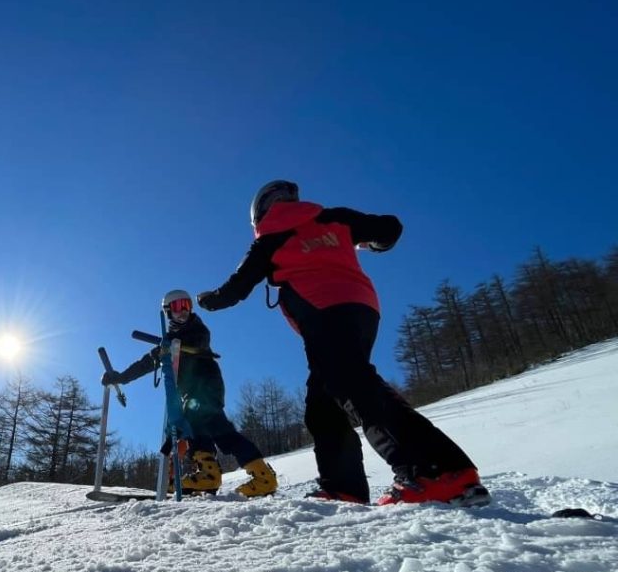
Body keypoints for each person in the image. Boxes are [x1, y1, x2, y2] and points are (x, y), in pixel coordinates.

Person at [195, 180, 490, 507]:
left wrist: (209, 300)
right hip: (363, 308)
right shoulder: (333, 217)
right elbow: (389, 228)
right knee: (323, 402)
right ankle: (343, 488)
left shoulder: (269, 239)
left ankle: (435, 471)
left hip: (322, 311)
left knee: (352, 385)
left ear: (259, 213)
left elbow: (236, 288)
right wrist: (366, 243)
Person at [102, 289, 278, 497]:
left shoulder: (196, 329)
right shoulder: (167, 342)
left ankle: (261, 476)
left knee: (216, 427)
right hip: (191, 394)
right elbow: (145, 364)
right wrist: (121, 377)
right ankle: (208, 474)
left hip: (206, 386)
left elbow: (199, 341)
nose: (184, 311)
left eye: (187, 305)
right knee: (194, 428)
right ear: (168, 312)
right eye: (178, 307)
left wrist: (175, 346)